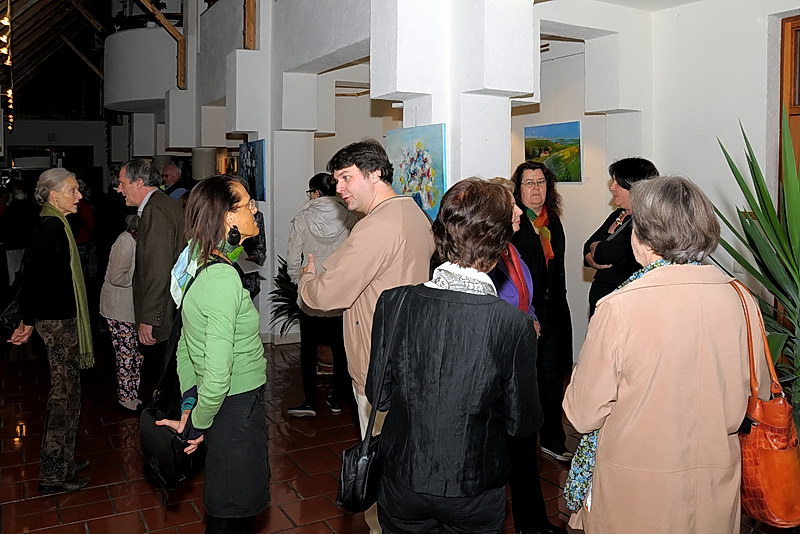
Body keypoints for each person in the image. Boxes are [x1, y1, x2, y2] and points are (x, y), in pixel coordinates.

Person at [563, 176, 770, 533]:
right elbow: (760, 393)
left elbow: (582, 413)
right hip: (715, 479)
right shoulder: (741, 299)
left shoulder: (620, 307)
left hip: (636, 485)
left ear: (642, 236)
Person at [366, 178, 541, 532]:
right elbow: (521, 423)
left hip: (403, 478)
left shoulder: (394, 302)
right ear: (499, 244)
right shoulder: (512, 323)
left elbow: (379, 395)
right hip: (473, 485)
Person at [299, 139, 434, 534]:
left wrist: (307, 277)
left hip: (378, 363)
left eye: (346, 178)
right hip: (408, 355)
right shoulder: (414, 212)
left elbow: (327, 294)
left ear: (375, 174)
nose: (339, 188)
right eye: (337, 180)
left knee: (377, 461)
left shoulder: (375, 226)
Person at [157, 175, 269, 533]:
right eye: (248, 204)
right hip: (236, 403)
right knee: (235, 511)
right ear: (228, 217)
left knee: (226, 502)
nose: (255, 210)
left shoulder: (196, 260)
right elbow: (219, 375)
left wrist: (191, 404)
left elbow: (186, 345)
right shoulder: (222, 279)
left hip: (217, 403)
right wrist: (197, 426)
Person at [8, 168, 94, 494]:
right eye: (73, 190)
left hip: (60, 319)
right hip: (56, 322)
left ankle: (64, 458)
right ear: (54, 195)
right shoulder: (51, 227)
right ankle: (54, 473)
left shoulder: (57, 224)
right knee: (63, 395)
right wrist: (27, 321)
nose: (79, 196)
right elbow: (33, 277)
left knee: (70, 392)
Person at [487, 178, 563, 534]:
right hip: (500, 363)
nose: (519, 210)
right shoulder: (484, 258)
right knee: (509, 448)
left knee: (524, 446)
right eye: (512, 205)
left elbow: (523, 294)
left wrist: (530, 318)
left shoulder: (511, 249)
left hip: (520, 356)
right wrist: (521, 323)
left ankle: (533, 523)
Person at [511, 161, 573, 462]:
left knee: (552, 376)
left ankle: (553, 439)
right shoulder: (514, 224)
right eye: (529, 183)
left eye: (541, 182)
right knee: (527, 379)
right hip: (527, 312)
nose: (536, 189)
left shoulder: (553, 220)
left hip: (555, 310)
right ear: (518, 189)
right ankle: (523, 442)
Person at [286, 172, 357, 417]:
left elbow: (293, 259)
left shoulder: (302, 218)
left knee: (308, 351)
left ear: (316, 192)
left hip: (312, 294)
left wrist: (301, 283)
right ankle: (337, 399)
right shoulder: (349, 216)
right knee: (341, 350)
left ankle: (310, 402)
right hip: (339, 293)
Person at [116, 159, 185, 401]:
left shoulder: (155, 210)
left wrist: (149, 318)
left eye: (122, 183)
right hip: (166, 308)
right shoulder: (159, 205)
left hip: (162, 313)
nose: (119, 189)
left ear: (138, 182)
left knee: (165, 380)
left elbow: (158, 269)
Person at [583, 157, 659, 316]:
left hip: (625, 304)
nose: (612, 188)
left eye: (618, 183)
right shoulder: (618, 215)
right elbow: (586, 248)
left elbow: (605, 253)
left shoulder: (645, 222)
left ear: (635, 187)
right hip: (601, 301)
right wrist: (592, 254)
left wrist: (595, 249)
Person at [100, 213, 144, 412]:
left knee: (134, 354)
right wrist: (140, 274)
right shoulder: (125, 241)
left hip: (128, 309)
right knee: (126, 355)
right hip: (118, 309)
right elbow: (116, 277)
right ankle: (126, 398)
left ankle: (132, 394)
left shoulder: (134, 240)